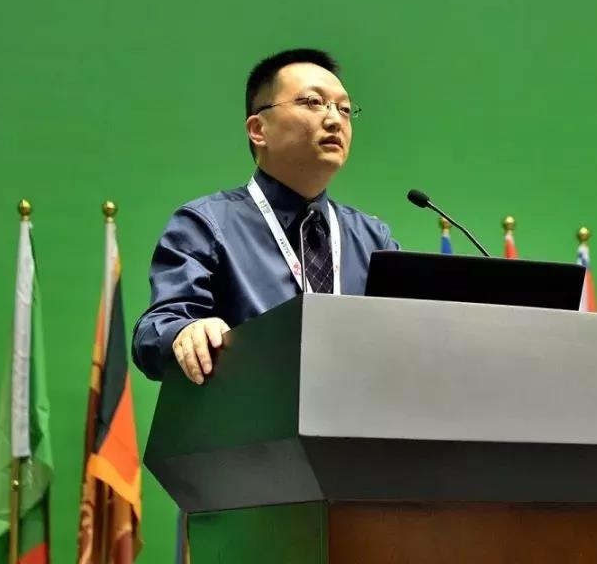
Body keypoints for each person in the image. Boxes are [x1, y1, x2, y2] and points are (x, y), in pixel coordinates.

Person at [132, 48, 399, 383]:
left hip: (352, 411)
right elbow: (154, 329)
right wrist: (185, 331)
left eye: (344, 109)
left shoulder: (373, 239)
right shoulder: (206, 225)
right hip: (248, 412)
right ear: (258, 129)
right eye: (313, 102)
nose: (334, 120)